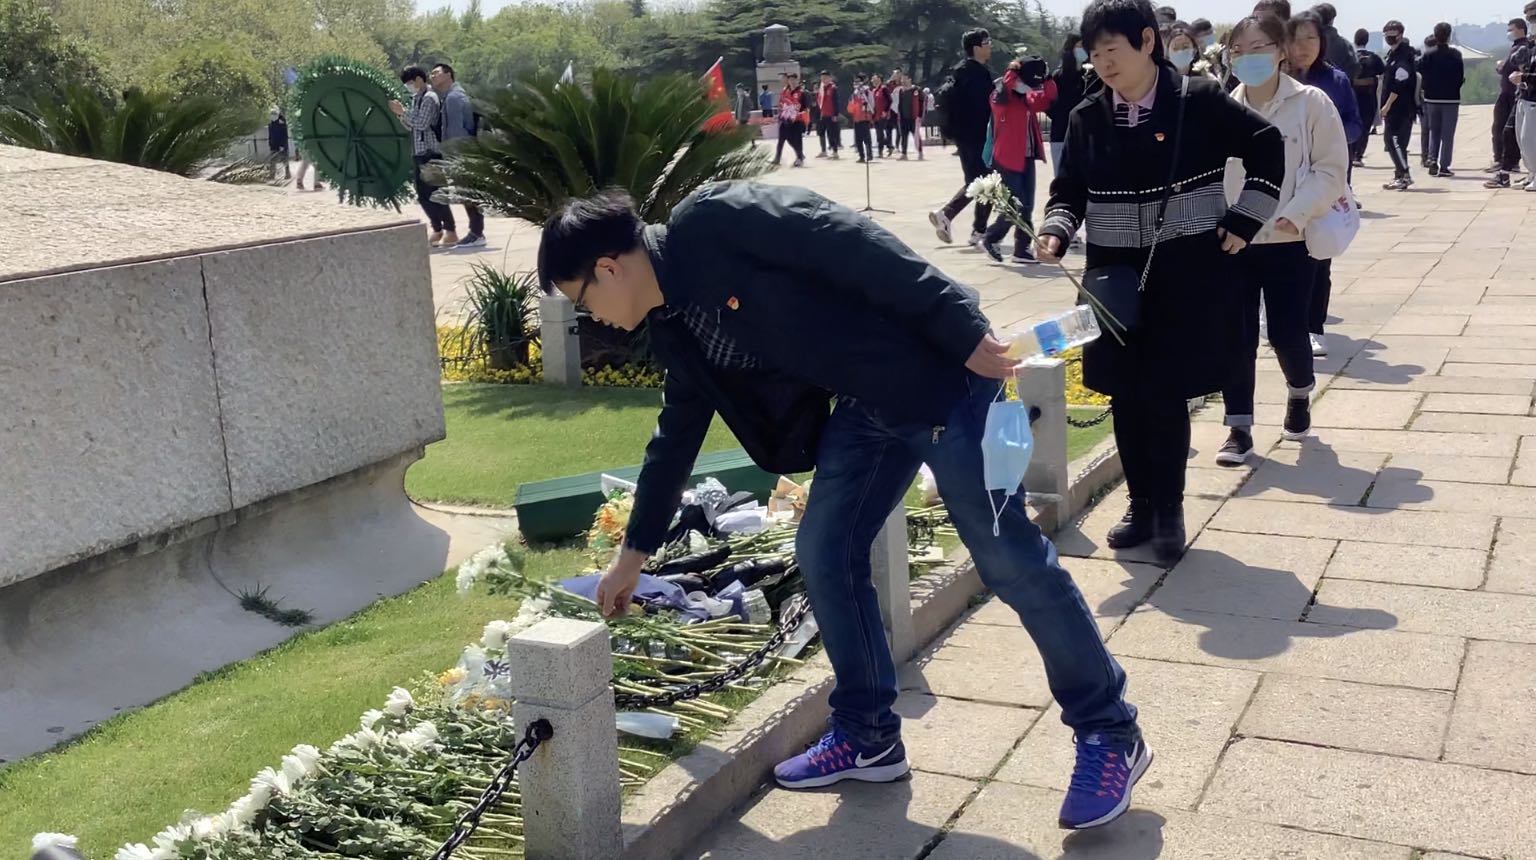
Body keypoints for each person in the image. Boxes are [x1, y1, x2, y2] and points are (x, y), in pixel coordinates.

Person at [539, 180, 1150, 830]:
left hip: (946, 377)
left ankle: (1110, 730)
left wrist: (961, 326)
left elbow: (850, 240)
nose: (592, 317)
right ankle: (868, 736)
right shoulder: (674, 326)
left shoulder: (712, 222)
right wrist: (633, 555)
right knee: (825, 551)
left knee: (1008, 559)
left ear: (608, 268)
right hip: (867, 408)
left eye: (583, 301)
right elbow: (675, 438)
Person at [1037, 0, 1285, 561]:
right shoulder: (1086, 116)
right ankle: (1140, 503)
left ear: (1147, 42)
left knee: (1166, 393)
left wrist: (1245, 220)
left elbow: (1267, 146)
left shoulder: (1198, 101)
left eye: (1112, 49)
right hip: (1113, 280)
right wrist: (1055, 231)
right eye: (1095, 53)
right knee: (1125, 394)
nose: (1103, 63)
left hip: (1184, 274)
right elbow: (1069, 189)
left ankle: (1169, 510)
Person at [1217, 13, 1348, 465]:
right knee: (1236, 336)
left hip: (1290, 240)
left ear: (1280, 51)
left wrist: (1296, 214)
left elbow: (1331, 169)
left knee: (1287, 333)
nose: (1248, 58)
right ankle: (1238, 427)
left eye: (1259, 48)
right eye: (1238, 51)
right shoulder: (1223, 107)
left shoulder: (1311, 103)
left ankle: (1299, 392)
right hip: (1235, 241)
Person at [1288, 10, 1362, 356]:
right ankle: (1286, 323)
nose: (1303, 47)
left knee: (1319, 256)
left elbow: (1355, 123)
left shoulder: (1335, 80)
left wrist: (1328, 137)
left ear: (1322, 42)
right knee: (1286, 258)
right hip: (1286, 181)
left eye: (1311, 38)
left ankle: (1314, 327)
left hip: (1323, 179)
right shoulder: (1276, 79)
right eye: (1296, 39)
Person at [980, 56, 1052, 264]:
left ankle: (1022, 249)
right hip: (1007, 158)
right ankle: (991, 237)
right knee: (1015, 203)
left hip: (1026, 157)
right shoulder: (1001, 95)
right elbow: (998, 102)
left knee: (1027, 204)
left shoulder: (1027, 98)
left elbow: (1048, 97)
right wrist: (1013, 71)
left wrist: (1046, 77)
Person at [931, 29, 998, 245]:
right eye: (987, 43)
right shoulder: (977, 74)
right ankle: (954, 218)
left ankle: (972, 227)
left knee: (979, 181)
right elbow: (984, 108)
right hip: (978, 136)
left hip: (963, 136)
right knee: (986, 182)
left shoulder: (960, 70)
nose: (990, 46)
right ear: (976, 48)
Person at [391, 65, 457, 248]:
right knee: (423, 195)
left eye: (410, 82)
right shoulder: (416, 99)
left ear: (419, 79)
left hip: (431, 151)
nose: (409, 86)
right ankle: (437, 228)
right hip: (419, 151)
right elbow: (411, 126)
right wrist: (401, 115)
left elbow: (421, 123)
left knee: (437, 193)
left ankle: (450, 230)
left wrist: (402, 112)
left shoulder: (429, 98)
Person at [431, 63, 486, 248]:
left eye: (437, 73)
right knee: (468, 192)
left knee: (468, 192)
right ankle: (476, 232)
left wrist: (453, 156)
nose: (433, 76)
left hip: (460, 153)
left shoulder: (453, 98)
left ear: (449, 75)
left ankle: (476, 233)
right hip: (464, 151)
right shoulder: (453, 95)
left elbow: (455, 132)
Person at [1490, 16, 1534, 187]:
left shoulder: (1523, 47)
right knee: (1512, 133)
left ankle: (1508, 168)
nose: (1509, 33)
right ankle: (1510, 170)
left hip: (1522, 95)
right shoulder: (1526, 46)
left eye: (1511, 29)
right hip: (1520, 94)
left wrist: (1522, 76)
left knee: (1517, 135)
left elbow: (1507, 67)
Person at [1418, 22, 1465, 177]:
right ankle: (1444, 166)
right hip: (1451, 99)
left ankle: (1432, 159)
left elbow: (1419, 71)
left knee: (1434, 132)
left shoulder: (1428, 55)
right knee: (1448, 135)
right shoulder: (1456, 55)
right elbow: (1460, 77)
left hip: (1431, 99)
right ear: (1449, 36)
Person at [1379, 21, 1419, 190]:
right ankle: (1399, 175)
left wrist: (1387, 105)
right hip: (1395, 108)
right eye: (1387, 34)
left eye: (1392, 34)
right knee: (1396, 143)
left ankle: (1404, 174)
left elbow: (1399, 85)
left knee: (1393, 141)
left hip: (1400, 108)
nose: (1389, 37)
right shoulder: (1393, 55)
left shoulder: (1403, 56)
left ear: (1400, 35)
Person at [1049, 35, 1090, 166]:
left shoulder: (1089, 76)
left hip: (1085, 135)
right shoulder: (1059, 76)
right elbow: (1049, 104)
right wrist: (1061, 115)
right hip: (1061, 134)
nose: (1083, 50)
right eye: (1079, 46)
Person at [1353, 29, 1385, 168]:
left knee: (1352, 124)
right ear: (1367, 41)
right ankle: (1358, 155)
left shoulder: (1351, 56)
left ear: (1355, 41)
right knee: (1365, 127)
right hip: (1369, 97)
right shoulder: (1374, 58)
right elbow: (1383, 72)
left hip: (1352, 97)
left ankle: (1351, 153)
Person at [1515, 1, 1536, 190]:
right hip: (1525, 95)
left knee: (1530, 139)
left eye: (1533, 18)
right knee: (1523, 140)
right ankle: (1532, 173)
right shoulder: (1531, 45)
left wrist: (1525, 76)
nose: (1530, 22)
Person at [1311, 3, 1360, 84]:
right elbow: (1355, 69)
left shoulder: (1308, 42)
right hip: (1338, 86)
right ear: (1332, 20)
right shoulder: (1345, 44)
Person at [775, 72, 808, 167]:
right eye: (790, 80)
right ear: (788, 80)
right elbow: (781, 103)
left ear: (797, 80)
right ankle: (777, 158)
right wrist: (780, 113)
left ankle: (799, 157)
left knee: (796, 140)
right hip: (785, 118)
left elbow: (805, 107)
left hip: (797, 120)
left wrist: (798, 113)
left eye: (794, 79)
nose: (792, 81)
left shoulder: (802, 92)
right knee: (782, 139)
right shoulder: (785, 91)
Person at [849, 74, 876, 162]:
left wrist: (866, 109)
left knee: (866, 138)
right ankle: (861, 156)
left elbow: (871, 104)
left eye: (858, 81)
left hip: (865, 117)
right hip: (856, 117)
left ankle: (869, 155)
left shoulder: (867, 91)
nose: (856, 83)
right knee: (858, 139)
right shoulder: (854, 92)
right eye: (855, 81)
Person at [816, 71, 842, 159]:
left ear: (830, 78)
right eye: (822, 78)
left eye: (826, 77)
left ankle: (835, 151)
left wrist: (835, 114)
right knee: (821, 133)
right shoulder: (821, 88)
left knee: (832, 134)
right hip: (822, 114)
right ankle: (823, 151)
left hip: (831, 114)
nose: (824, 79)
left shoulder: (833, 88)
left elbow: (836, 102)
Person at [873, 73, 894, 157]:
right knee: (879, 134)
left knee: (880, 133)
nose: (873, 81)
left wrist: (885, 111)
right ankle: (889, 145)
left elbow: (890, 100)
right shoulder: (874, 90)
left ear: (879, 79)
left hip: (883, 115)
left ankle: (880, 151)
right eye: (873, 79)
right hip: (875, 115)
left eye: (875, 79)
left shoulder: (884, 89)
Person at [266, 108, 290, 180]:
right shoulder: (271, 124)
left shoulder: (282, 123)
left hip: (282, 145)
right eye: (271, 114)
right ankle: (272, 175)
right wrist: (270, 143)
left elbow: (284, 136)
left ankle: (288, 174)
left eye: (274, 114)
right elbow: (270, 135)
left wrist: (282, 145)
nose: (272, 116)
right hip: (274, 145)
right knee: (272, 161)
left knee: (285, 160)